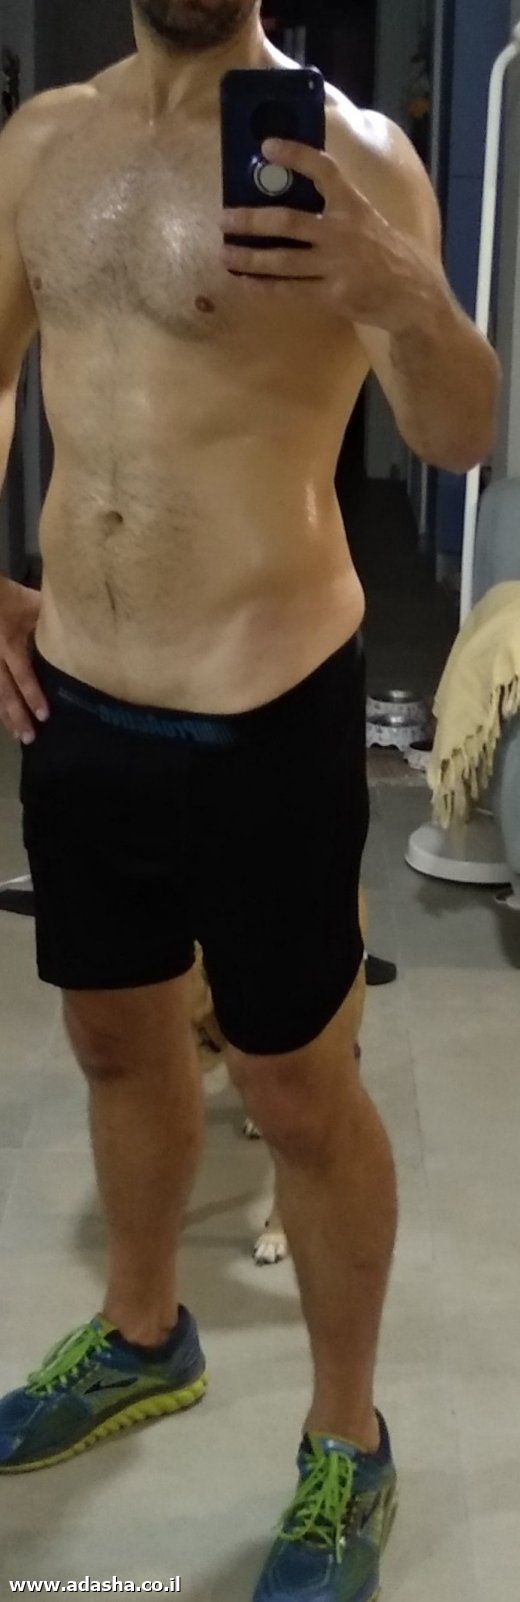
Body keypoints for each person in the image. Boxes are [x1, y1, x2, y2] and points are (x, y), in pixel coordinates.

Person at [0, 2, 499, 1596]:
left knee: (295, 1089)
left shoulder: (359, 156)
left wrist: (401, 287)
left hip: (266, 706)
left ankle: (350, 1439)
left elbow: (461, 430)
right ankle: (146, 1331)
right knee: (113, 1034)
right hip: (78, 697)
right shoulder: (42, 142)